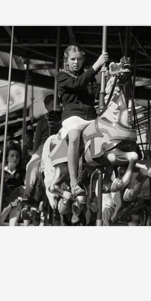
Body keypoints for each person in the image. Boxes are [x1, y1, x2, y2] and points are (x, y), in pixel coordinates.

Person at [57, 45, 108, 207]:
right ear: (66, 60)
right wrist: (96, 66)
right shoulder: (62, 75)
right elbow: (77, 84)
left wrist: (105, 81)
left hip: (90, 116)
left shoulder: (89, 76)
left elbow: (95, 92)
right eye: (72, 59)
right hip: (72, 116)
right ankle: (73, 182)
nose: (76, 62)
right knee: (74, 137)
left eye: (79, 59)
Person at [24, 94, 61, 199]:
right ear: (46, 107)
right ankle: (28, 192)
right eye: (52, 105)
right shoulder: (42, 122)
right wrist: (35, 154)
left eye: (57, 104)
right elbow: (37, 141)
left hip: (59, 142)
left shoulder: (62, 118)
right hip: (45, 146)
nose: (55, 107)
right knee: (31, 165)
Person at [0, 142, 25, 226]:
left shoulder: (21, 172)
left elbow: (22, 186)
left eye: (17, 156)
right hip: (2, 202)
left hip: (15, 202)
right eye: (12, 155)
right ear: (7, 157)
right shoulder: (1, 171)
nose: (15, 158)